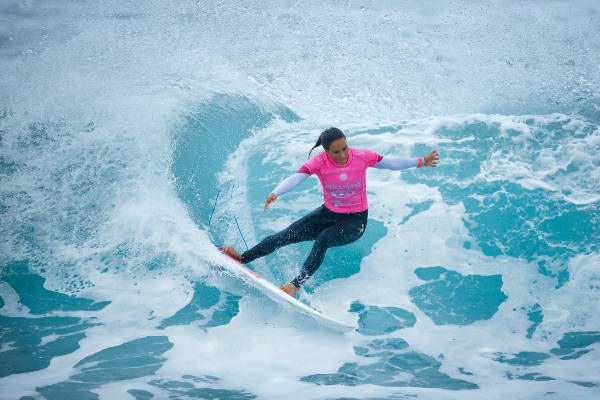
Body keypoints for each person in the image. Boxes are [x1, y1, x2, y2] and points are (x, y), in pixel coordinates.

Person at [223, 127, 439, 298]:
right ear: (326, 151)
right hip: (327, 214)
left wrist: (421, 161)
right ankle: (243, 257)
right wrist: (276, 193)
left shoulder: (361, 157)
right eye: (337, 151)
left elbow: (389, 162)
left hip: (355, 221)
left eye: (345, 148)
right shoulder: (319, 162)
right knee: (285, 235)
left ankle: (294, 285)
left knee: (324, 239)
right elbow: (298, 177)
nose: (343, 154)